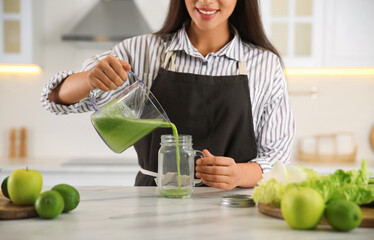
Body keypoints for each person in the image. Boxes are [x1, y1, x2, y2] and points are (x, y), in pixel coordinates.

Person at [41, 0, 295, 190]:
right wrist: (89, 79)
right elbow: (55, 100)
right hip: (154, 203)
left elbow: (277, 157)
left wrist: (239, 174)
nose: (206, 2)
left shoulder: (264, 65)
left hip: (233, 208)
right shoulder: (142, 51)